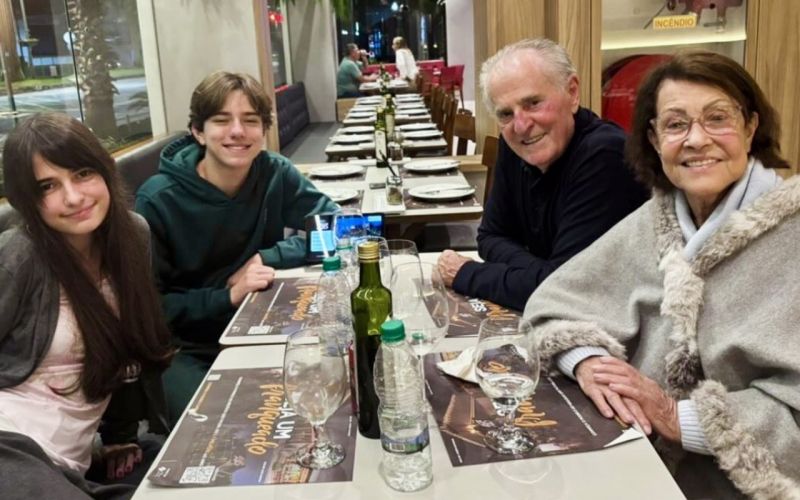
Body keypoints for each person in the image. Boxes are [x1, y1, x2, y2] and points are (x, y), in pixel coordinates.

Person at [523, 51, 800, 498]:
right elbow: (552, 305)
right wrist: (590, 362)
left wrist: (676, 416)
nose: (696, 139)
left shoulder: (792, 234)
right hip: (633, 459)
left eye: (717, 119)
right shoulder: (655, 218)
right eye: (675, 124)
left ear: (751, 127)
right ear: (653, 139)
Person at [135, 71, 338, 424]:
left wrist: (267, 256)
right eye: (221, 120)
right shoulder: (158, 199)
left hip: (265, 326)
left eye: (250, 120)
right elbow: (149, 311)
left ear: (263, 130)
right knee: (225, 427)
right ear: (198, 131)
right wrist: (227, 296)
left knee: (324, 401)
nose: (237, 132)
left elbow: (335, 226)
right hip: (186, 348)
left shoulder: (274, 172)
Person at [0, 113, 173, 499]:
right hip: (9, 449)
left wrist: (118, 436)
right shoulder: (19, 254)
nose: (74, 197)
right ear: (27, 200)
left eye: (81, 173)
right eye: (48, 186)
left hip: (68, 466)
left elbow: (124, 346)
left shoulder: (133, 236)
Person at [437, 38, 647, 311]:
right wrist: (545, 273)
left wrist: (466, 273)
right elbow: (489, 237)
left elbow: (567, 292)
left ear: (572, 93)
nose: (522, 125)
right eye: (505, 113)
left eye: (533, 103)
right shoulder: (514, 144)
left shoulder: (606, 154)